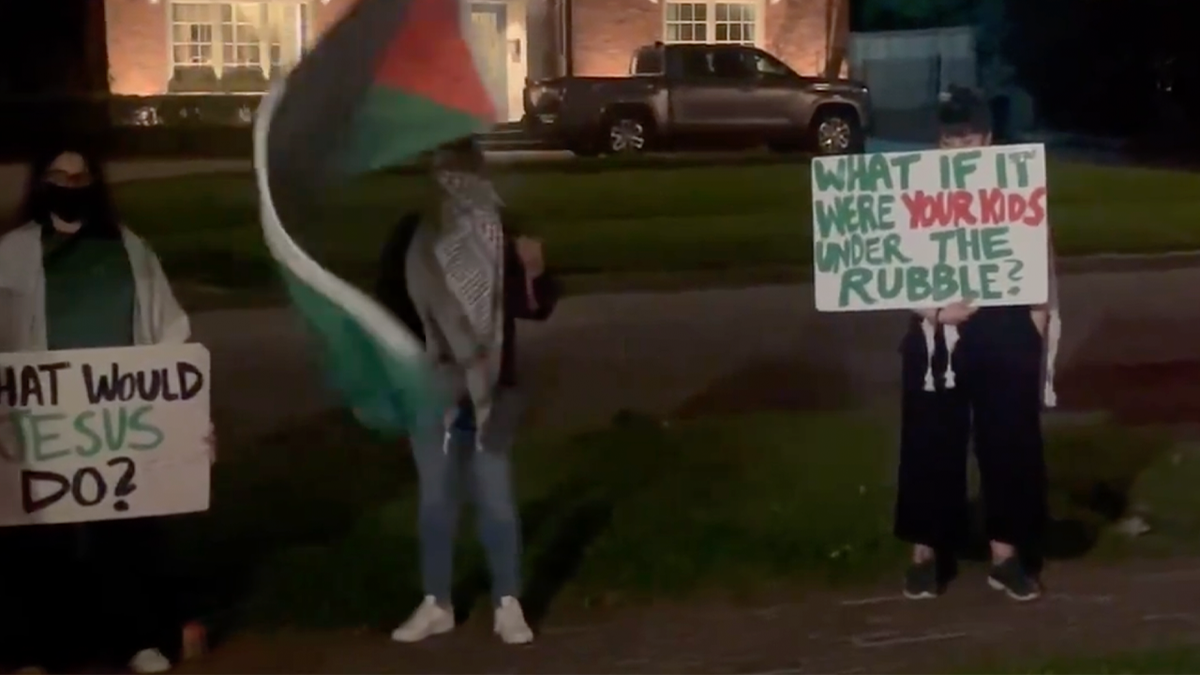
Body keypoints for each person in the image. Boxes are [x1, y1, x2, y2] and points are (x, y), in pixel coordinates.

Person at [0, 147, 211, 674]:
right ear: (40, 182)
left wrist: (188, 420)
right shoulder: (11, 253)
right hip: (40, 428)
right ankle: (35, 650)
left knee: (128, 533)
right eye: (58, 176)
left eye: (81, 176)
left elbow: (169, 333)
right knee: (38, 537)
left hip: (119, 427)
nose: (70, 185)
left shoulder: (131, 250)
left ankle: (140, 639)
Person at [376, 137, 558, 645]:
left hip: (494, 388)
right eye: (443, 176)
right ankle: (437, 601)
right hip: (431, 388)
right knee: (436, 498)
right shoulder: (413, 237)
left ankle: (508, 602)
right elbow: (388, 307)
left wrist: (534, 273)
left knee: (495, 495)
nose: (454, 188)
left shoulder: (505, 234)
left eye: (462, 175)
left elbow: (538, 306)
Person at [893, 86, 1061, 602]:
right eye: (950, 139)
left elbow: (1041, 255)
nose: (959, 147)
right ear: (939, 142)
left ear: (988, 138)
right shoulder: (914, 187)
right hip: (935, 329)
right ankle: (926, 553)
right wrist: (933, 311)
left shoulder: (1016, 186)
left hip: (1006, 325)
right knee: (928, 441)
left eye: (969, 137)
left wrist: (1038, 324)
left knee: (1009, 442)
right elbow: (888, 264)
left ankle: (1005, 555)